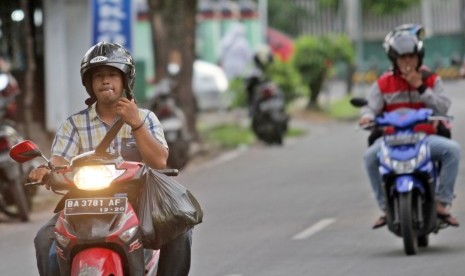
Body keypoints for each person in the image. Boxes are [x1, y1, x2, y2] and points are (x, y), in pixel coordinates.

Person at [28, 42, 192, 276]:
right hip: (81, 203)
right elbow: (59, 163)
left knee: (179, 231)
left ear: (125, 81)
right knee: (44, 240)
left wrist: (136, 124)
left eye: (113, 75)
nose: (105, 81)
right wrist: (46, 171)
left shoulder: (146, 118)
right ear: (90, 84)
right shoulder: (74, 125)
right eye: (98, 76)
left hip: (140, 201)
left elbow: (159, 162)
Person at [359, 24, 461, 229]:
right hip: (392, 141)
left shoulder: (431, 79)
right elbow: (371, 108)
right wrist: (367, 117)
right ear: (394, 60)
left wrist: (421, 87)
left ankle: (442, 203)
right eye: (402, 57)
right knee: (370, 157)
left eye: (411, 57)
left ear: (419, 57)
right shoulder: (383, 83)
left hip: (425, 139)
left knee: (453, 150)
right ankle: (385, 208)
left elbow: (443, 106)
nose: (407, 62)